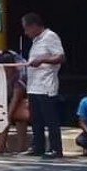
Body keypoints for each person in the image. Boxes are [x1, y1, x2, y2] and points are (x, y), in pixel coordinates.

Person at [22, 13, 65, 158]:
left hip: (46, 85)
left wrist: (42, 59)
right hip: (34, 85)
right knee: (36, 119)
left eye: (27, 28)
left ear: (34, 26)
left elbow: (60, 57)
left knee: (50, 119)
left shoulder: (50, 36)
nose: (26, 32)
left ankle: (55, 148)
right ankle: (38, 146)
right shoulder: (36, 41)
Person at [0, 50, 29, 154]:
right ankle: (1, 146)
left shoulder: (20, 75)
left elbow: (16, 96)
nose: (5, 70)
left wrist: (8, 115)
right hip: (4, 97)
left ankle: (21, 147)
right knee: (2, 116)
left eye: (7, 67)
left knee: (19, 119)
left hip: (19, 98)